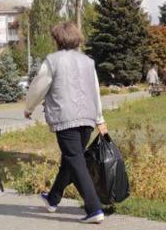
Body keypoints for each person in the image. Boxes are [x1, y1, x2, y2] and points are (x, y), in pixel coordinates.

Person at [24, 21, 108, 224]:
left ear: (58, 40)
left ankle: (94, 208)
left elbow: (39, 86)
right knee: (71, 160)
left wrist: (29, 107)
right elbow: (95, 90)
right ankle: (53, 199)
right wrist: (99, 119)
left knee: (75, 161)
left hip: (66, 118)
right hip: (87, 118)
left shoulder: (53, 60)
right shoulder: (88, 61)